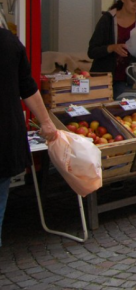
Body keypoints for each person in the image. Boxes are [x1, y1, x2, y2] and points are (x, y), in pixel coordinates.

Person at [1, 28, 59, 246]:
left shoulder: (8, 43)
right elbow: (28, 87)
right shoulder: (8, 42)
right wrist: (45, 122)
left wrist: (45, 122)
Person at [87, 0, 136, 99]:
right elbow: (92, 51)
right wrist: (112, 47)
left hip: (130, 81)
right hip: (104, 80)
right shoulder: (108, 19)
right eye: (133, 1)